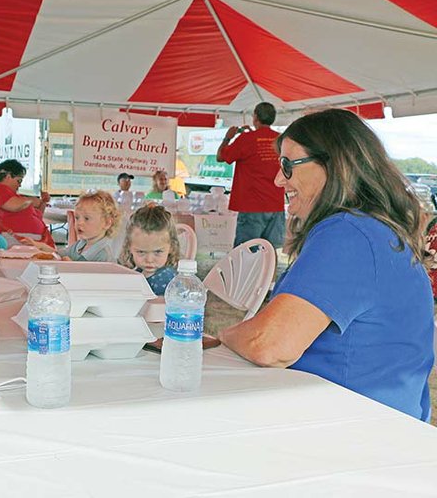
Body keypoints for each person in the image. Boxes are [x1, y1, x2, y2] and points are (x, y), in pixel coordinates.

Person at [219, 108, 434, 421]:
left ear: (333, 166)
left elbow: (269, 344)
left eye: (287, 165)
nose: (279, 178)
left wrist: (225, 335)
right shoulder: (371, 229)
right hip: (370, 420)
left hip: (349, 428)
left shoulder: (349, 233)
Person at [216, 102, 285, 247]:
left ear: (255, 117)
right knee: (270, 254)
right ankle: (270, 272)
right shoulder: (281, 140)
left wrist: (228, 138)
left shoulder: (246, 139)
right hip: (275, 204)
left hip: (252, 205)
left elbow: (221, 157)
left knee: (246, 252)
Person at [28, 190, 120, 262]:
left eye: (86, 218)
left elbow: (91, 281)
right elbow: (59, 254)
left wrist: (71, 265)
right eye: (77, 218)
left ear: (107, 223)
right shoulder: (80, 244)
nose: (79, 223)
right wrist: (42, 246)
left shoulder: (104, 254)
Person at [0, 158, 55, 247]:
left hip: (29, 238)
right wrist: (31, 200)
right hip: (14, 237)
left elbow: (38, 215)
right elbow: (13, 205)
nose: (20, 185)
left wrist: (43, 202)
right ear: (8, 176)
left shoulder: (15, 196)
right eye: (19, 180)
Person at [118, 205, 180, 295]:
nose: (149, 260)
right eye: (141, 252)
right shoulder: (137, 272)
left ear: (171, 248)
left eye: (158, 252)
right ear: (129, 247)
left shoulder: (167, 279)